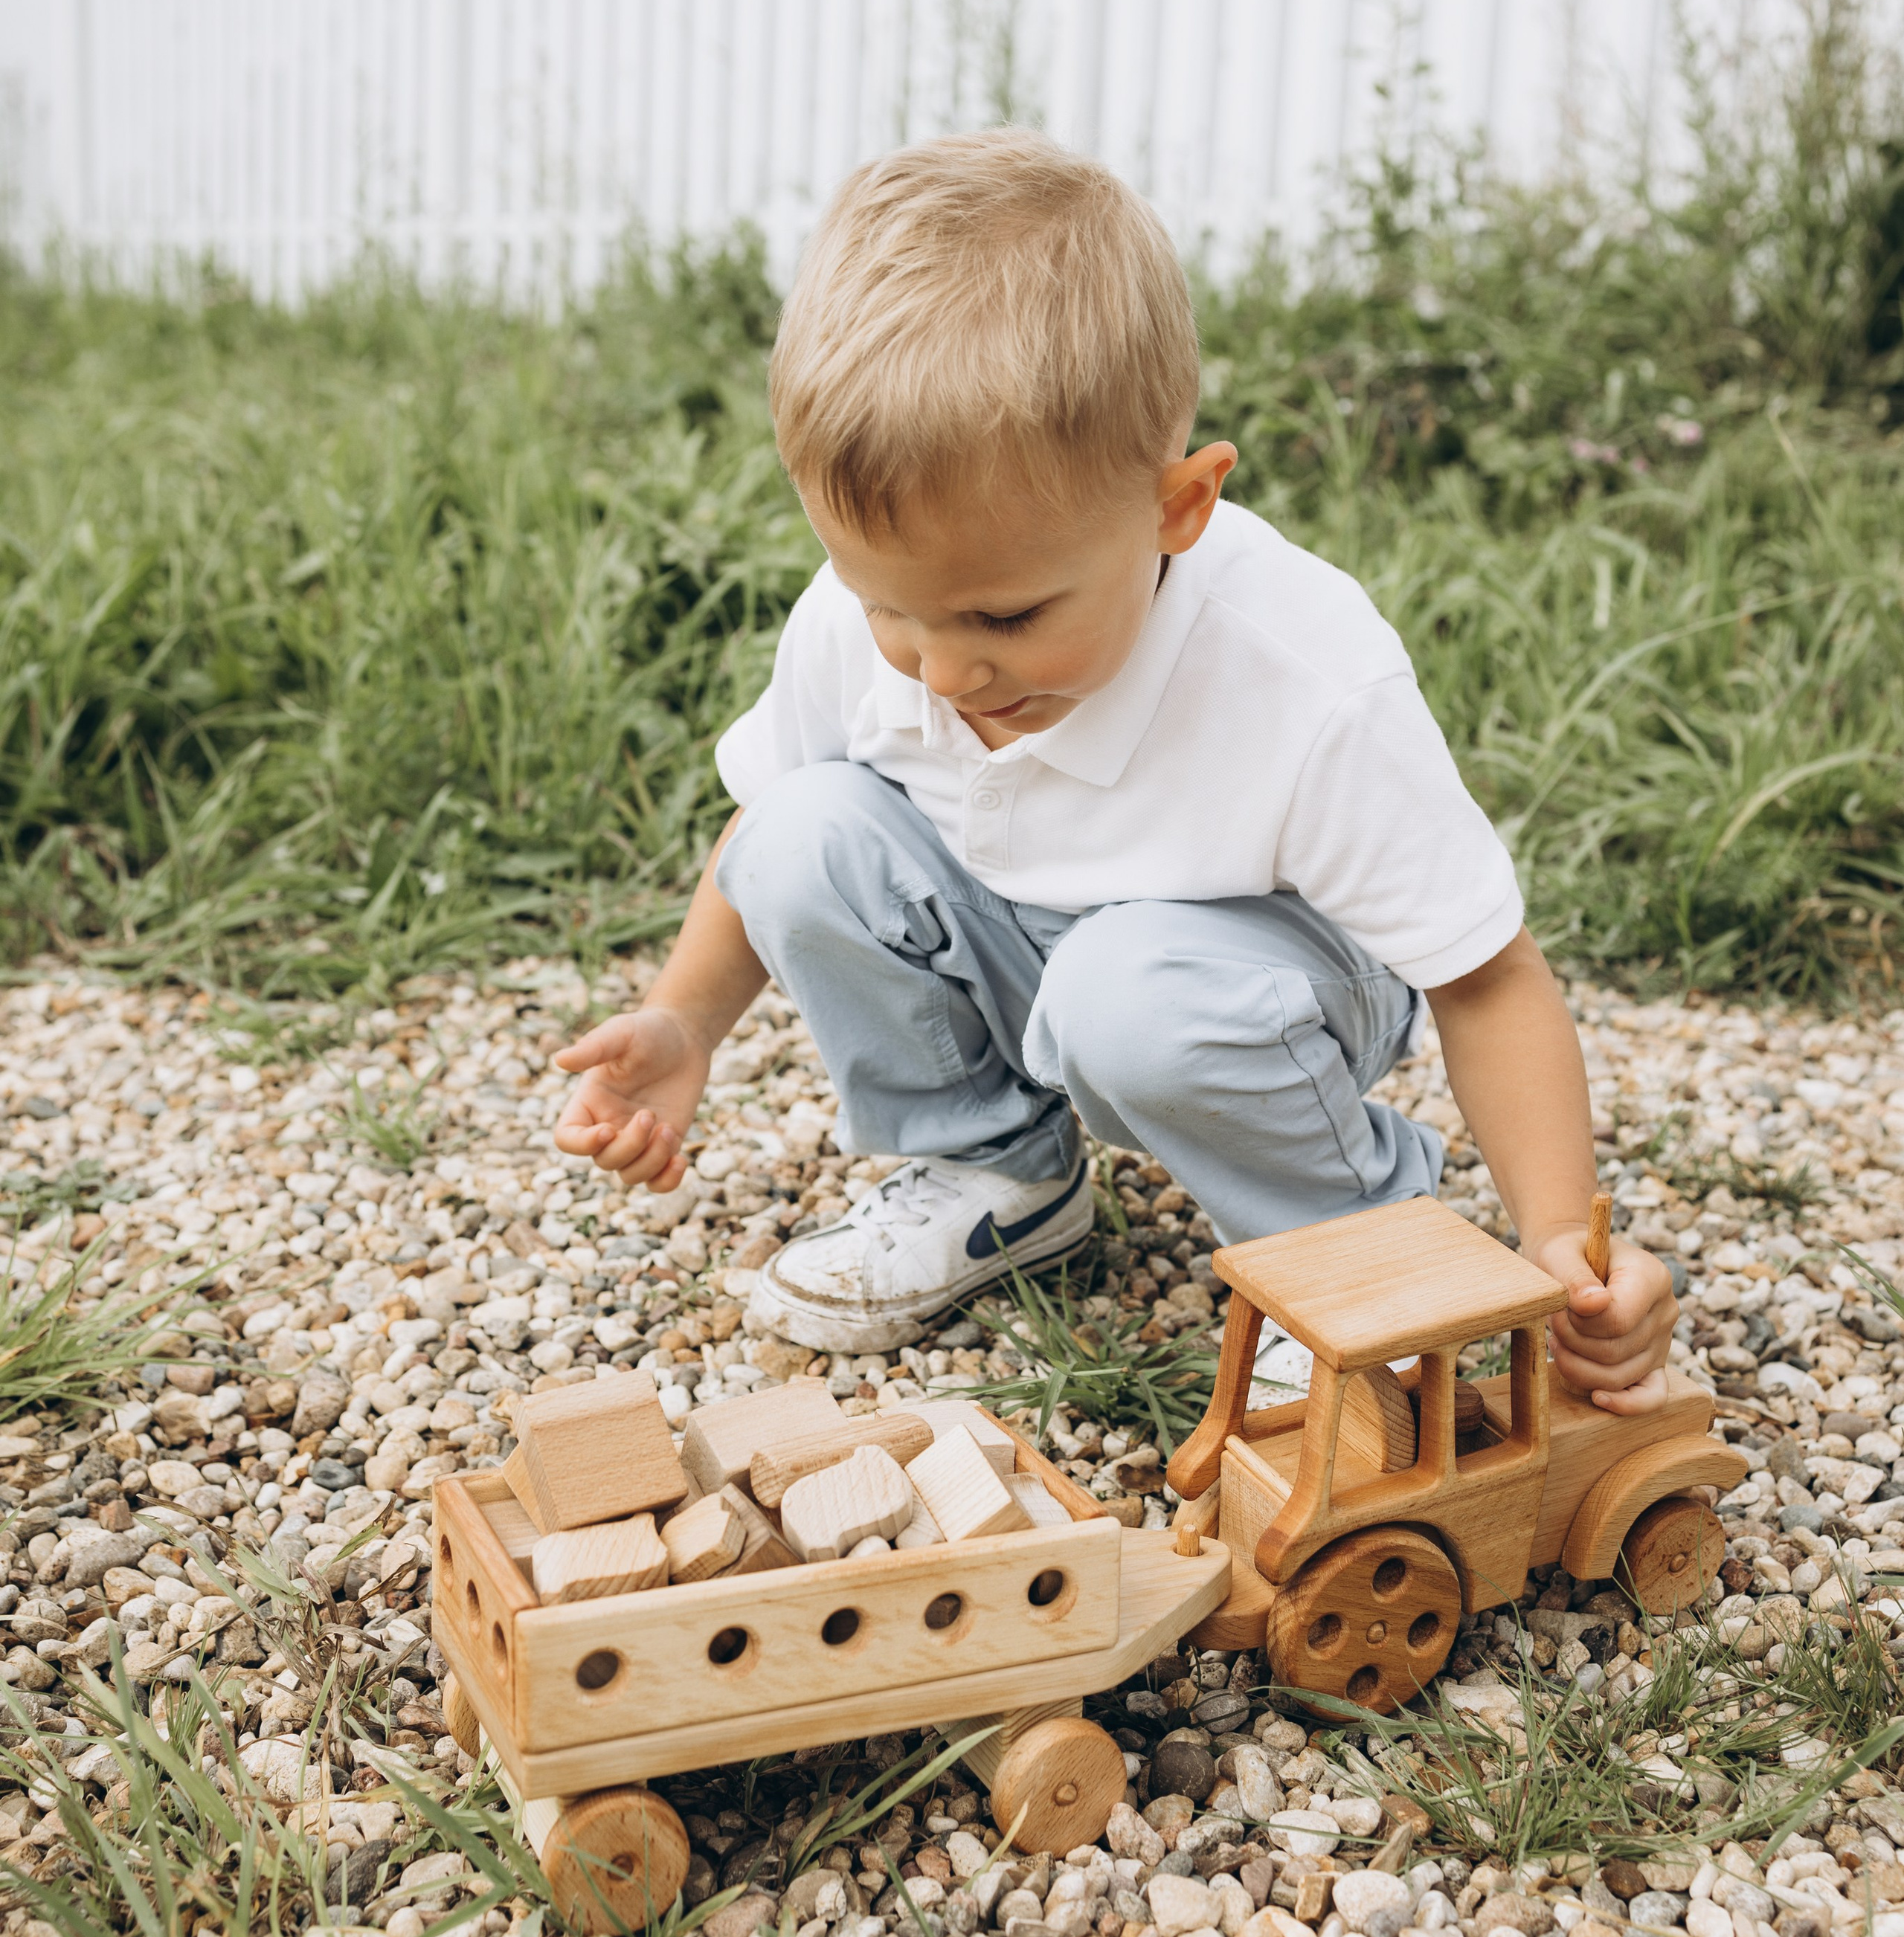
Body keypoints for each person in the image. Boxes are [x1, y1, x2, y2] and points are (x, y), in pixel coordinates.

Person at [553, 130, 1675, 1405]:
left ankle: (1352, 1248)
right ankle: (996, 1173)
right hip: (1043, 940)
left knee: (1124, 993)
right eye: (890, 608)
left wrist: (1559, 1235)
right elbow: (763, 836)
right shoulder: (867, 628)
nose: (941, 669)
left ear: (1177, 509)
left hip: (1270, 975)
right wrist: (685, 1019)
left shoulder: (1301, 680)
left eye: (1006, 617)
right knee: (800, 832)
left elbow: (1487, 977)